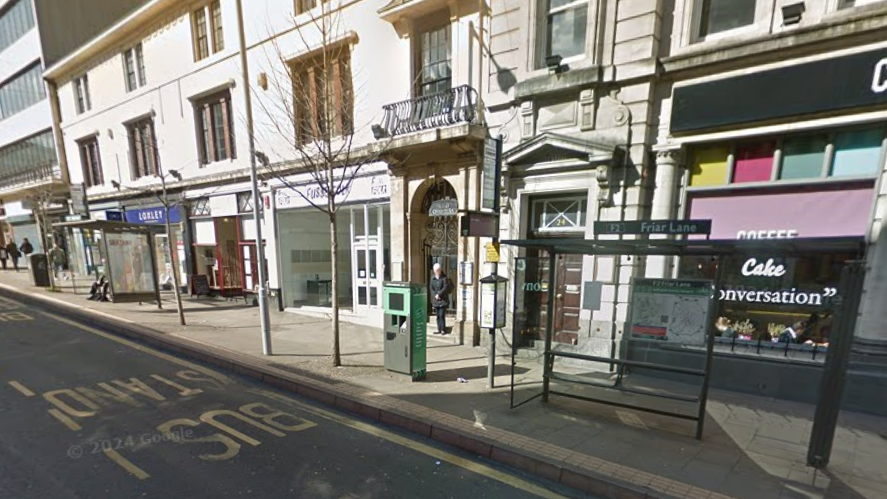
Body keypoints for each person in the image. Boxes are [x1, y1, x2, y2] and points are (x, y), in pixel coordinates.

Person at [429, 263, 452, 335]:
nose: (437, 272)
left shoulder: (444, 277)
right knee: (438, 316)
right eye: (435, 270)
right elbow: (431, 288)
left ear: (440, 270)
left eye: (438, 270)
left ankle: (443, 329)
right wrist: (435, 295)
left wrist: (439, 294)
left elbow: (445, 287)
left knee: (442, 315)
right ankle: (439, 329)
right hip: (436, 300)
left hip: (443, 300)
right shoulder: (432, 278)